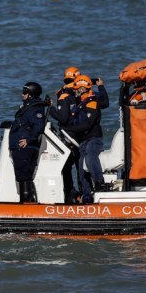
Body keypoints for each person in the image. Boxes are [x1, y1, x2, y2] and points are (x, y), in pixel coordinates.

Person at [64, 75, 106, 204]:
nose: (74, 90)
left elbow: (88, 124)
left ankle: (100, 185)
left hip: (94, 139)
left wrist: (70, 128)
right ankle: (87, 194)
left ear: (82, 88)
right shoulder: (79, 102)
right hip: (82, 141)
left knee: (89, 157)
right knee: (81, 166)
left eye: (76, 88)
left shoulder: (92, 102)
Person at [9, 82, 47, 203]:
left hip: (24, 147)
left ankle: (25, 204)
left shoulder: (35, 109)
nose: (22, 94)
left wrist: (29, 140)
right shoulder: (28, 107)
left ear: (31, 95)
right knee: (24, 176)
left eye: (25, 92)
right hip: (21, 147)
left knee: (24, 176)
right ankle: (29, 201)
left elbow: (39, 125)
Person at [51, 68, 81, 203]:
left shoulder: (63, 96)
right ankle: (83, 193)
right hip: (79, 135)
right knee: (81, 167)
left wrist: (50, 108)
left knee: (66, 168)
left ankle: (68, 195)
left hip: (68, 137)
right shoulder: (78, 94)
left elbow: (63, 119)